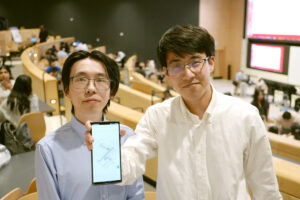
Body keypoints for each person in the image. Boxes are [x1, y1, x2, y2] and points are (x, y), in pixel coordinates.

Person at [85, 25, 282, 199]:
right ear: (167, 72)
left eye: (196, 62)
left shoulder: (245, 115)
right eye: (177, 65)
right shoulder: (157, 116)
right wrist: (104, 149)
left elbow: (266, 189)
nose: (188, 74)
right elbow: (129, 166)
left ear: (211, 62)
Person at [35, 50, 144, 200]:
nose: (91, 88)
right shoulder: (48, 149)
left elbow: (136, 196)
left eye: (100, 80)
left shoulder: (128, 137)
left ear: (111, 90)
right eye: (81, 80)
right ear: (66, 89)